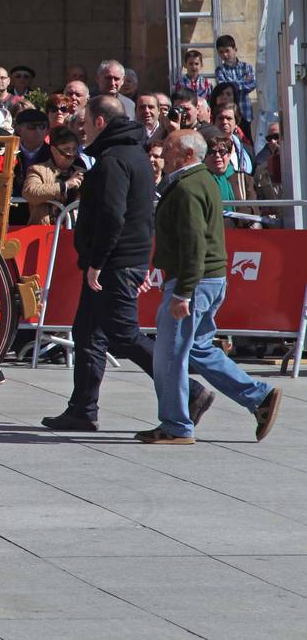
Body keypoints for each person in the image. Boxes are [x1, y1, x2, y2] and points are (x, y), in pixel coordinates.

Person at [42, 96, 211, 432]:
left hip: (114, 262)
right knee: (88, 333)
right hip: (120, 259)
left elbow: (112, 216)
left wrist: (98, 262)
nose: (82, 129)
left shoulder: (115, 160)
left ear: (101, 122)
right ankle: (82, 409)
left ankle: (190, 391)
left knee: (123, 334)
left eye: (86, 122)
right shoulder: (131, 154)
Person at [137, 129, 282, 444]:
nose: (165, 153)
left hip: (194, 280)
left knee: (171, 354)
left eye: (172, 148)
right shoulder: (199, 181)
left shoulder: (188, 188)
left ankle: (176, 425)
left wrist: (182, 292)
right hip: (210, 279)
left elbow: (193, 246)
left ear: (187, 154)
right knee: (198, 348)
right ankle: (259, 397)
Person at [21, 126, 85, 225]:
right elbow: (29, 192)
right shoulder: (37, 170)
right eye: (67, 149)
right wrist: (65, 186)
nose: (71, 154)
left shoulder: (82, 172)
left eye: (74, 149)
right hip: (45, 232)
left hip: (75, 231)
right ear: (53, 150)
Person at [214, 34, 255, 124]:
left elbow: (252, 84)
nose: (225, 54)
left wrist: (232, 85)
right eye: (221, 52)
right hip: (229, 112)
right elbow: (224, 87)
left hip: (245, 111)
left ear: (235, 50)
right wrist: (243, 81)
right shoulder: (220, 70)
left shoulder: (247, 67)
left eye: (227, 51)